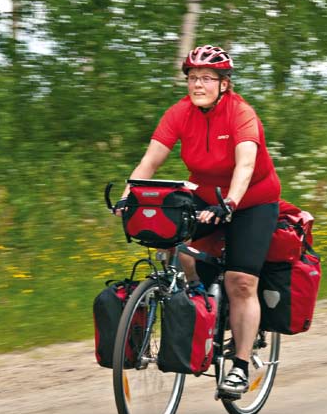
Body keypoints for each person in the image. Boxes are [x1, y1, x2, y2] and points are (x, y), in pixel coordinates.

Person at [115, 44, 280, 395]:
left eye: (207, 78)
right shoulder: (179, 113)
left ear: (224, 84)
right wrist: (130, 195)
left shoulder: (241, 113)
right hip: (205, 197)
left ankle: (239, 363)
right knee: (180, 250)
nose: (198, 85)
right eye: (192, 78)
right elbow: (150, 161)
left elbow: (246, 164)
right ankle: (202, 308)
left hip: (252, 201)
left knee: (241, 281)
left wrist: (231, 202)